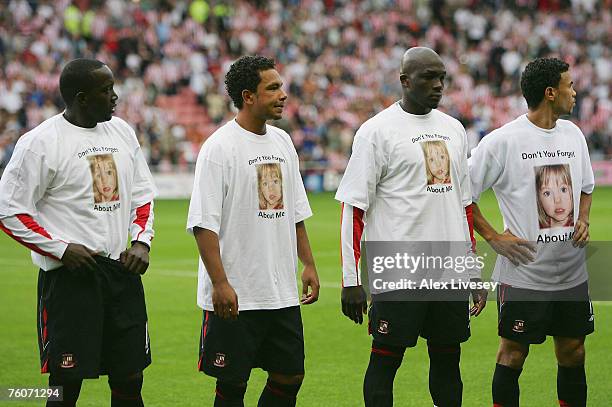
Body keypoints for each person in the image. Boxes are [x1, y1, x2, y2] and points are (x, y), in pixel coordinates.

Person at [335, 47, 487, 407]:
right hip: (398, 269)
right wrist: (351, 280)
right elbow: (354, 209)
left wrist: (472, 272)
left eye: (442, 78)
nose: (438, 85)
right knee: (386, 362)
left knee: (449, 362)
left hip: (448, 270)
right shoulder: (376, 132)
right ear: (404, 81)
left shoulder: (454, 129)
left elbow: (464, 207)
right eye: (428, 78)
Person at [0, 58, 157, 407]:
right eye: (106, 91)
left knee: (130, 379)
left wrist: (141, 242)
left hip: (122, 273)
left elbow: (143, 194)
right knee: (65, 385)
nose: (115, 97)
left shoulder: (122, 132)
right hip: (71, 280)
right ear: (82, 98)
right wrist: (59, 248)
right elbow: (9, 209)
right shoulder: (39, 143)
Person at [186, 55, 319, 407]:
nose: (283, 94)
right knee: (233, 385)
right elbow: (203, 225)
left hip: (280, 290)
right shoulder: (218, 148)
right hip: (237, 293)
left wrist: (308, 263)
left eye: (281, 86)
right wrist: (220, 283)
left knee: (290, 376)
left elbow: (295, 212)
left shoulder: (283, 143)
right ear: (248, 96)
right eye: (273, 88)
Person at [468, 58, 593, 407]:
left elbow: (585, 186)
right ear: (550, 92)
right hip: (524, 274)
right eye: (569, 84)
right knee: (512, 355)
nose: (574, 91)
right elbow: (463, 194)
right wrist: (494, 236)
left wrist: (583, 219)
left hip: (571, 272)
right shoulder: (503, 141)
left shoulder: (574, 134)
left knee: (573, 352)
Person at [535, 164, 574, 229]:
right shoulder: (535, 227)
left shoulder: (578, 227)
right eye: (547, 193)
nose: (557, 200)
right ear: (539, 200)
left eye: (563, 190)